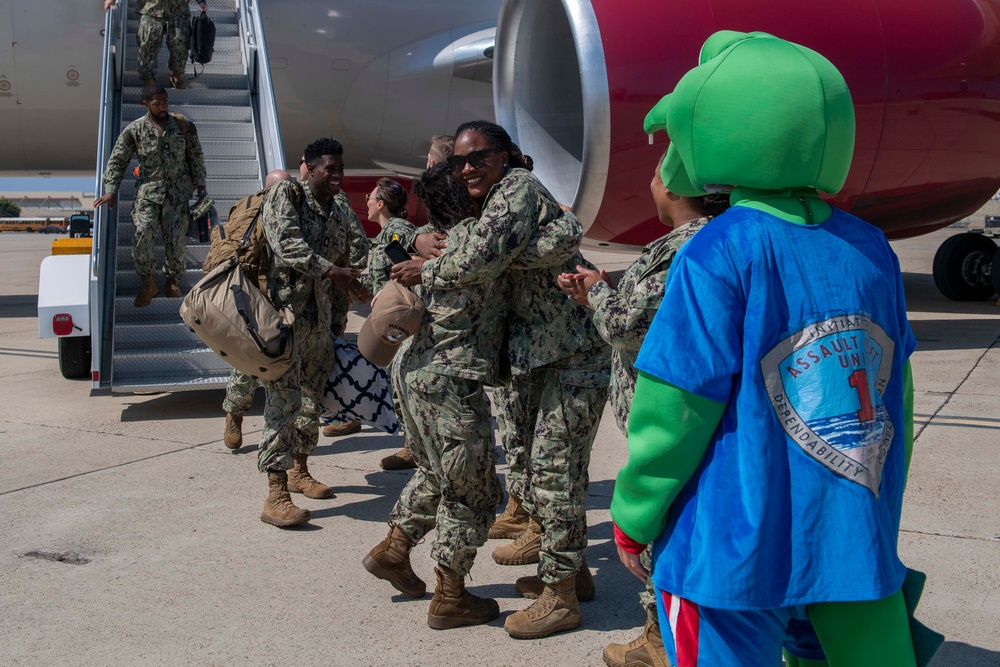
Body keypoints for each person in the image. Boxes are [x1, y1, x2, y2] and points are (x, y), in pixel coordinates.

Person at [611, 31, 924, 666]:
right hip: (850, 534)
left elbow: (675, 406)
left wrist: (634, 513)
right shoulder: (870, 247)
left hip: (730, 549)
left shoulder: (717, 250)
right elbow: (899, 397)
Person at [400, 121, 610, 639]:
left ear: (507, 156)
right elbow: (487, 246)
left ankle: (562, 597)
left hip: (574, 354)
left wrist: (422, 270)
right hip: (546, 356)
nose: (468, 168)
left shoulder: (515, 190)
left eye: (479, 157)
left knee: (555, 471)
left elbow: (479, 258)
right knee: (547, 472)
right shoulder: (497, 202)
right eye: (459, 163)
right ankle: (572, 574)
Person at [556, 156, 729, 666]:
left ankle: (660, 639)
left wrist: (597, 296)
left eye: (655, 175)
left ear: (676, 187)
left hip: (667, 413)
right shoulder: (692, 242)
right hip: (668, 407)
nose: (650, 184)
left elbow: (631, 326)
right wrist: (603, 290)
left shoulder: (690, 246)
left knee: (665, 517)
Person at [256, 138, 371, 528]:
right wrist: (331, 271)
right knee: (283, 403)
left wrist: (360, 281)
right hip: (286, 320)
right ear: (309, 167)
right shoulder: (287, 195)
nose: (337, 176)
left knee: (312, 400)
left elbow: (356, 250)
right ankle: (275, 494)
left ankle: (299, 471)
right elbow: (285, 243)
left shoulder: (338, 208)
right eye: (330, 170)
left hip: (322, 323)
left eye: (341, 169)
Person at [95, 84, 207, 307]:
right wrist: (111, 190)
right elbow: (117, 161)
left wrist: (201, 186)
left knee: (176, 241)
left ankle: (172, 280)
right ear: (145, 104)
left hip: (177, 194)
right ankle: (148, 282)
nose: (163, 107)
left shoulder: (184, 126)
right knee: (143, 233)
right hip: (148, 194)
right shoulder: (134, 130)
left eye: (165, 102)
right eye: (157, 104)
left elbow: (196, 155)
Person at [221, 169, 292, 450]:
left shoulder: (294, 212)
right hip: (257, 298)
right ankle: (234, 413)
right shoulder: (256, 211)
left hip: (288, 300)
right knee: (248, 364)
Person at [363, 178, 420, 469]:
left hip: (401, 317)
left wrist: (386, 293)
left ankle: (414, 447)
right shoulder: (386, 233)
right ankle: (413, 445)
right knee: (396, 381)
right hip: (390, 317)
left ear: (381, 203)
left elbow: (409, 270)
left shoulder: (398, 231)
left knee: (403, 381)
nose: (367, 201)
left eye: (371, 197)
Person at [105, 0, 207, 90]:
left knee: (179, 42)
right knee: (148, 44)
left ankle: (177, 74)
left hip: (178, 10)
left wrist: (201, 1)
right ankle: (148, 79)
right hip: (150, 9)